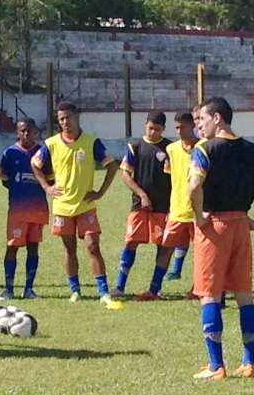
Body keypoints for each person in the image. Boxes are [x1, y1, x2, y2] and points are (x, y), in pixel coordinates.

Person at [189, 97, 254, 379]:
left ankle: (216, 365)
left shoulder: (205, 150)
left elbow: (194, 185)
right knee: (244, 295)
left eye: (201, 120)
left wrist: (198, 216)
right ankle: (248, 362)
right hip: (241, 225)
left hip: (214, 225)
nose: (199, 126)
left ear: (217, 118)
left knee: (209, 295)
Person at [31, 101, 120, 306]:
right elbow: (35, 164)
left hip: (85, 204)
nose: (65, 122)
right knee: (69, 248)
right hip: (62, 206)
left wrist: (100, 192)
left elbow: (112, 165)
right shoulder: (51, 144)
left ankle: (103, 291)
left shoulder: (91, 142)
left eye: (68, 117)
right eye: (61, 119)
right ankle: (75, 290)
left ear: (77, 117)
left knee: (93, 245)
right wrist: (47, 187)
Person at [115, 112, 173, 301]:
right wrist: (142, 194)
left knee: (163, 246)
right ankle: (119, 286)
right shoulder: (135, 147)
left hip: (162, 207)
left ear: (163, 129)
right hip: (139, 206)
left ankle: (155, 288)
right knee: (131, 242)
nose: (153, 132)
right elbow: (126, 175)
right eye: (150, 128)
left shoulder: (170, 148)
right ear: (145, 125)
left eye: (157, 129)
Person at [0, 117, 50, 300]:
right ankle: (8, 289)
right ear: (17, 132)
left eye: (29, 130)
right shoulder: (10, 153)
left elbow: (49, 179)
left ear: (35, 131)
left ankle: (29, 288)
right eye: (22, 130)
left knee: (33, 248)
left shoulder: (43, 152)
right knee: (12, 247)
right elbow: (5, 180)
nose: (26, 133)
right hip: (18, 210)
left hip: (37, 209)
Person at [164, 111, 200, 286]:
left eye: (182, 127)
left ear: (193, 125)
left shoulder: (204, 147)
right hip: (177, 209)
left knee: (200, 251)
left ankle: (197, 287)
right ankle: (155, 288)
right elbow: (170, 179)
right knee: (165, 248)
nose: (179, 131)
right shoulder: (171, 149)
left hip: (199, 210)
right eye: (176, 127)